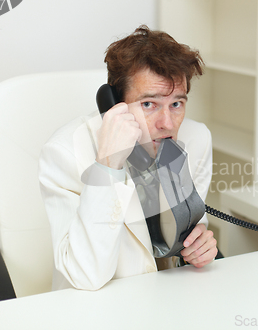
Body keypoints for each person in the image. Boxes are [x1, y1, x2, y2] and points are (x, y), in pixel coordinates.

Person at [39, 25, 218, 291]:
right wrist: (108, 165)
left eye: (176, 104)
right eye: (149, 104)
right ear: (114, 104)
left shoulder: (196, 139)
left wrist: (196, 248)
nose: (167, 123)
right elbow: (85, 274)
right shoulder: (64, 153)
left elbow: (185, 230)